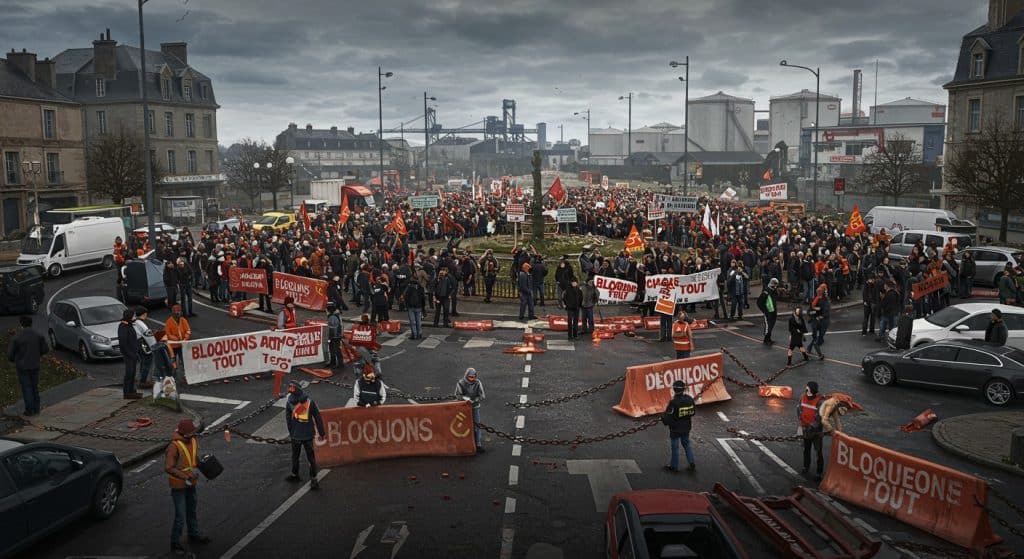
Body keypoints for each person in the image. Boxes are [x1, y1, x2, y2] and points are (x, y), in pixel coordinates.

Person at [164, 418, 211, 553]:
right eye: (192, 432)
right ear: (185, 433)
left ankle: (194, 534)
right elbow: (169, 467)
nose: (194, 434)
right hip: (179, 486)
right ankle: (175, 543)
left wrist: (204, 463)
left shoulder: (193, 441)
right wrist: (186, 476)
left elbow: (192, 459)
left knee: (192, 510)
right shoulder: (174, 446)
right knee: (180, 516)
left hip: (191, 483)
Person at [285, 381, 326, 490]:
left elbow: (288, 420)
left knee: (295, 456)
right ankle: (314, 479)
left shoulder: (289, 403)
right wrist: (322, 432)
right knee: (311, 458)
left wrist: (291, 432)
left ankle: (295, 474)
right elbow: (317, 417)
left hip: (296, 435)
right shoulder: (309, 402)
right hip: (308, 435)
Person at [7, 315, 48, 416]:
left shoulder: (17, 338)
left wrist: (15, 359)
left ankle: (29, 410)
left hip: (22, 366)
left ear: (21, 324)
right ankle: (36, 408)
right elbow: (45, 349)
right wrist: (38, 354)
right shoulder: (38, 335)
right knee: (34, 387)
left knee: (26, 387)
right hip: (35, 365)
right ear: (31, 323)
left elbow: (10, 355)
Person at [661, 380, 696, 472]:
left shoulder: (673, 402)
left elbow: (667, 417)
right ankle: (691, 462)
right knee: (686, 444)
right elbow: (693, 412)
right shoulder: (689, 399)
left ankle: (674, 466)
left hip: (675, 429)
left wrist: (662, 418)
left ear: (674, 389)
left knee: (675, 448)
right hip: (686, 427)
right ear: (684, 389)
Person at [797, 381, 824, 480]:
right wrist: (802, 423)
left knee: (818, 452)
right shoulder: (802, 397)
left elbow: (819, 417)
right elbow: (799, 409)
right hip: (806, 429)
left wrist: (812, 427)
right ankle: (806, 467)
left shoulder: (820, 401)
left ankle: (819, 473)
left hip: (816, 432)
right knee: (806, 450)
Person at [455, 368, 485, 452]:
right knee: (464, 426)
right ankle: (465, 444)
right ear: (466, 376)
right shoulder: (461, 383)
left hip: (475, 406)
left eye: (474, 377)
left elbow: (482, 395)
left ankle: (478, 444)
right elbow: (458, 395)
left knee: (477, 426)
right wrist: (466, 399)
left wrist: (475, 400)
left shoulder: (477, 383)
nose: (472, 379)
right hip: (464, 407)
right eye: (470, 377)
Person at [117, 309, 142, 399]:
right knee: (129, 373)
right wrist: (130, 354)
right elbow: (123, 344)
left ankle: (132, 391)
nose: (135, 317)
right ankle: (127, 393)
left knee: (133, 373)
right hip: (129, 355)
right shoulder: (123, 326)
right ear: (129, 316)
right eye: (134, 316)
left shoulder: (129, 324)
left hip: (133, 354)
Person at [134, 307, 158, 389]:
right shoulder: (140, 323)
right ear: (144, 314)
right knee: (147, 360)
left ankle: (140, 378)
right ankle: (143, 381)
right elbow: (148, 334)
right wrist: (154, 345)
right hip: (142, 343)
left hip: (136, 343)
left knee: (142, 361)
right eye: (146, 314)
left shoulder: (135, 322)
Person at [165, 305, 192, 374]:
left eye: (179, 312)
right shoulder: (168, 322)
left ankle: (187, 373)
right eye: (176, 313)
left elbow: (188, 330)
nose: (178, 314)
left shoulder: (183, 320)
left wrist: (185, 338)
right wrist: (177, 339)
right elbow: (168, 334)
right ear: (172, 313)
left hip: (182, 345)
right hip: (173, 346)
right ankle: (172, 373)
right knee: (172, 360)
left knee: (184, 360)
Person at [402, 273, 427, 340]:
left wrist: (406, 305)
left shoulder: (409, 287)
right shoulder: (421, 287)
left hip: (411, 306)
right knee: (418, 321)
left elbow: (405, 296)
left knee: (412, 322)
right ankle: (419, 334)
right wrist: (423, 307)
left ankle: (414, 334)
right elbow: (423, 298)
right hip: (419, 306)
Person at [757, 278, 779, 345]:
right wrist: (765, 311)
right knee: (768, 326)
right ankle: (766, 340)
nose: (775, 286)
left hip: (773, 311)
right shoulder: (766, 292)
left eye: (776, 284)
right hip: (768, 312)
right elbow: (759, 302)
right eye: (774, 284)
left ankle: (769, 338)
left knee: (771, 325)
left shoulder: (774, 291)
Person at [326, 302, 343, 368]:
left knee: (335, 349)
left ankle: (339, 364)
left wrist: (330, 337)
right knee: (332, 348)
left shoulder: (332, 316)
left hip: (335, 336)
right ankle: (334, 362)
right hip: (336, 335)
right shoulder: (335, 314)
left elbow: (332, 328)